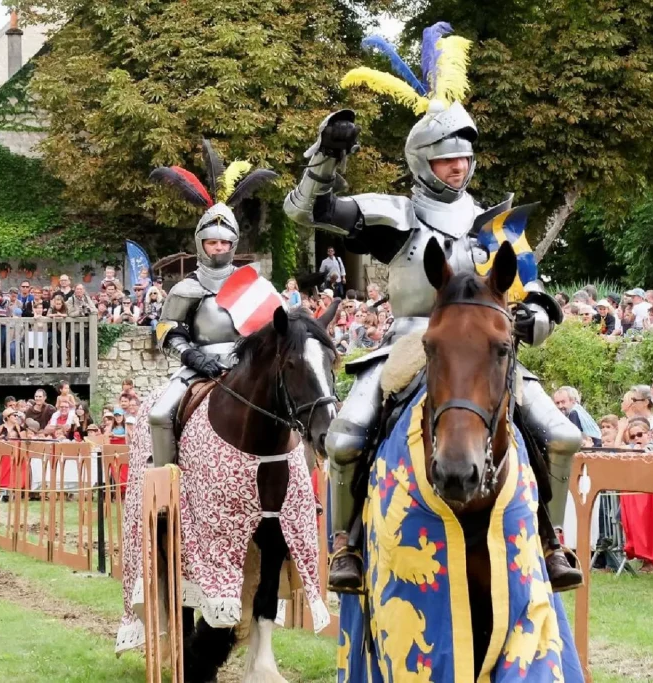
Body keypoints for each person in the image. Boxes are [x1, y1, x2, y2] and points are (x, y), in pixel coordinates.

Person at [283, 23, 579, 591]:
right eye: (446, 160)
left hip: (489, 349)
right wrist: (325, 156)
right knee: (346, 438)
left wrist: (530, 321)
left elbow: (539, 301)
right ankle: (345, 546)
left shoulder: (496, 223)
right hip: (413, 341)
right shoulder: (396, 217)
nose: (459, 168)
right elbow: (308, 212)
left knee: (561, 435)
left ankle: (550, 538)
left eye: (464, 158)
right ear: (423, 162)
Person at [147, 140, 279, 469]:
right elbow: (166, 329)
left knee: (298, 408)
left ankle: (303, 490)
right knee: (160, 414)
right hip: (199, 365)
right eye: (212, 242)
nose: (218, 248)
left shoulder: (254, 284)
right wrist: (191, 354)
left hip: (250, 363)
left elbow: (278, 326)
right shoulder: (188, 287)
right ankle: (167, 484)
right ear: (201, 243)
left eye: (224, 242)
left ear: (233, 244)